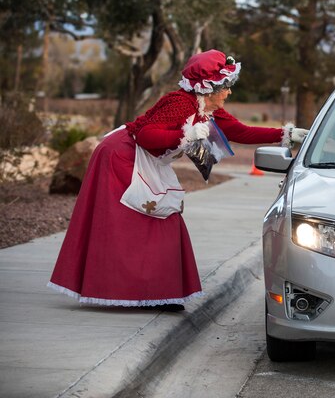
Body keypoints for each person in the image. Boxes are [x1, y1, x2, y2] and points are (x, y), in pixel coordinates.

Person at [47, 50, 308, 311]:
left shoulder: (207, 109)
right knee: (132, 223)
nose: (228, 93)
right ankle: (137, 292)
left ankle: (159, 293)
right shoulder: (180, 104)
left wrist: (287, 134)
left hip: (144, 159)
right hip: (122, 157)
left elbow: (241, 131)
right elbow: (146, 135)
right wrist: (184, 136)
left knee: (161, 219)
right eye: (225, 87)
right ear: (209, 87)